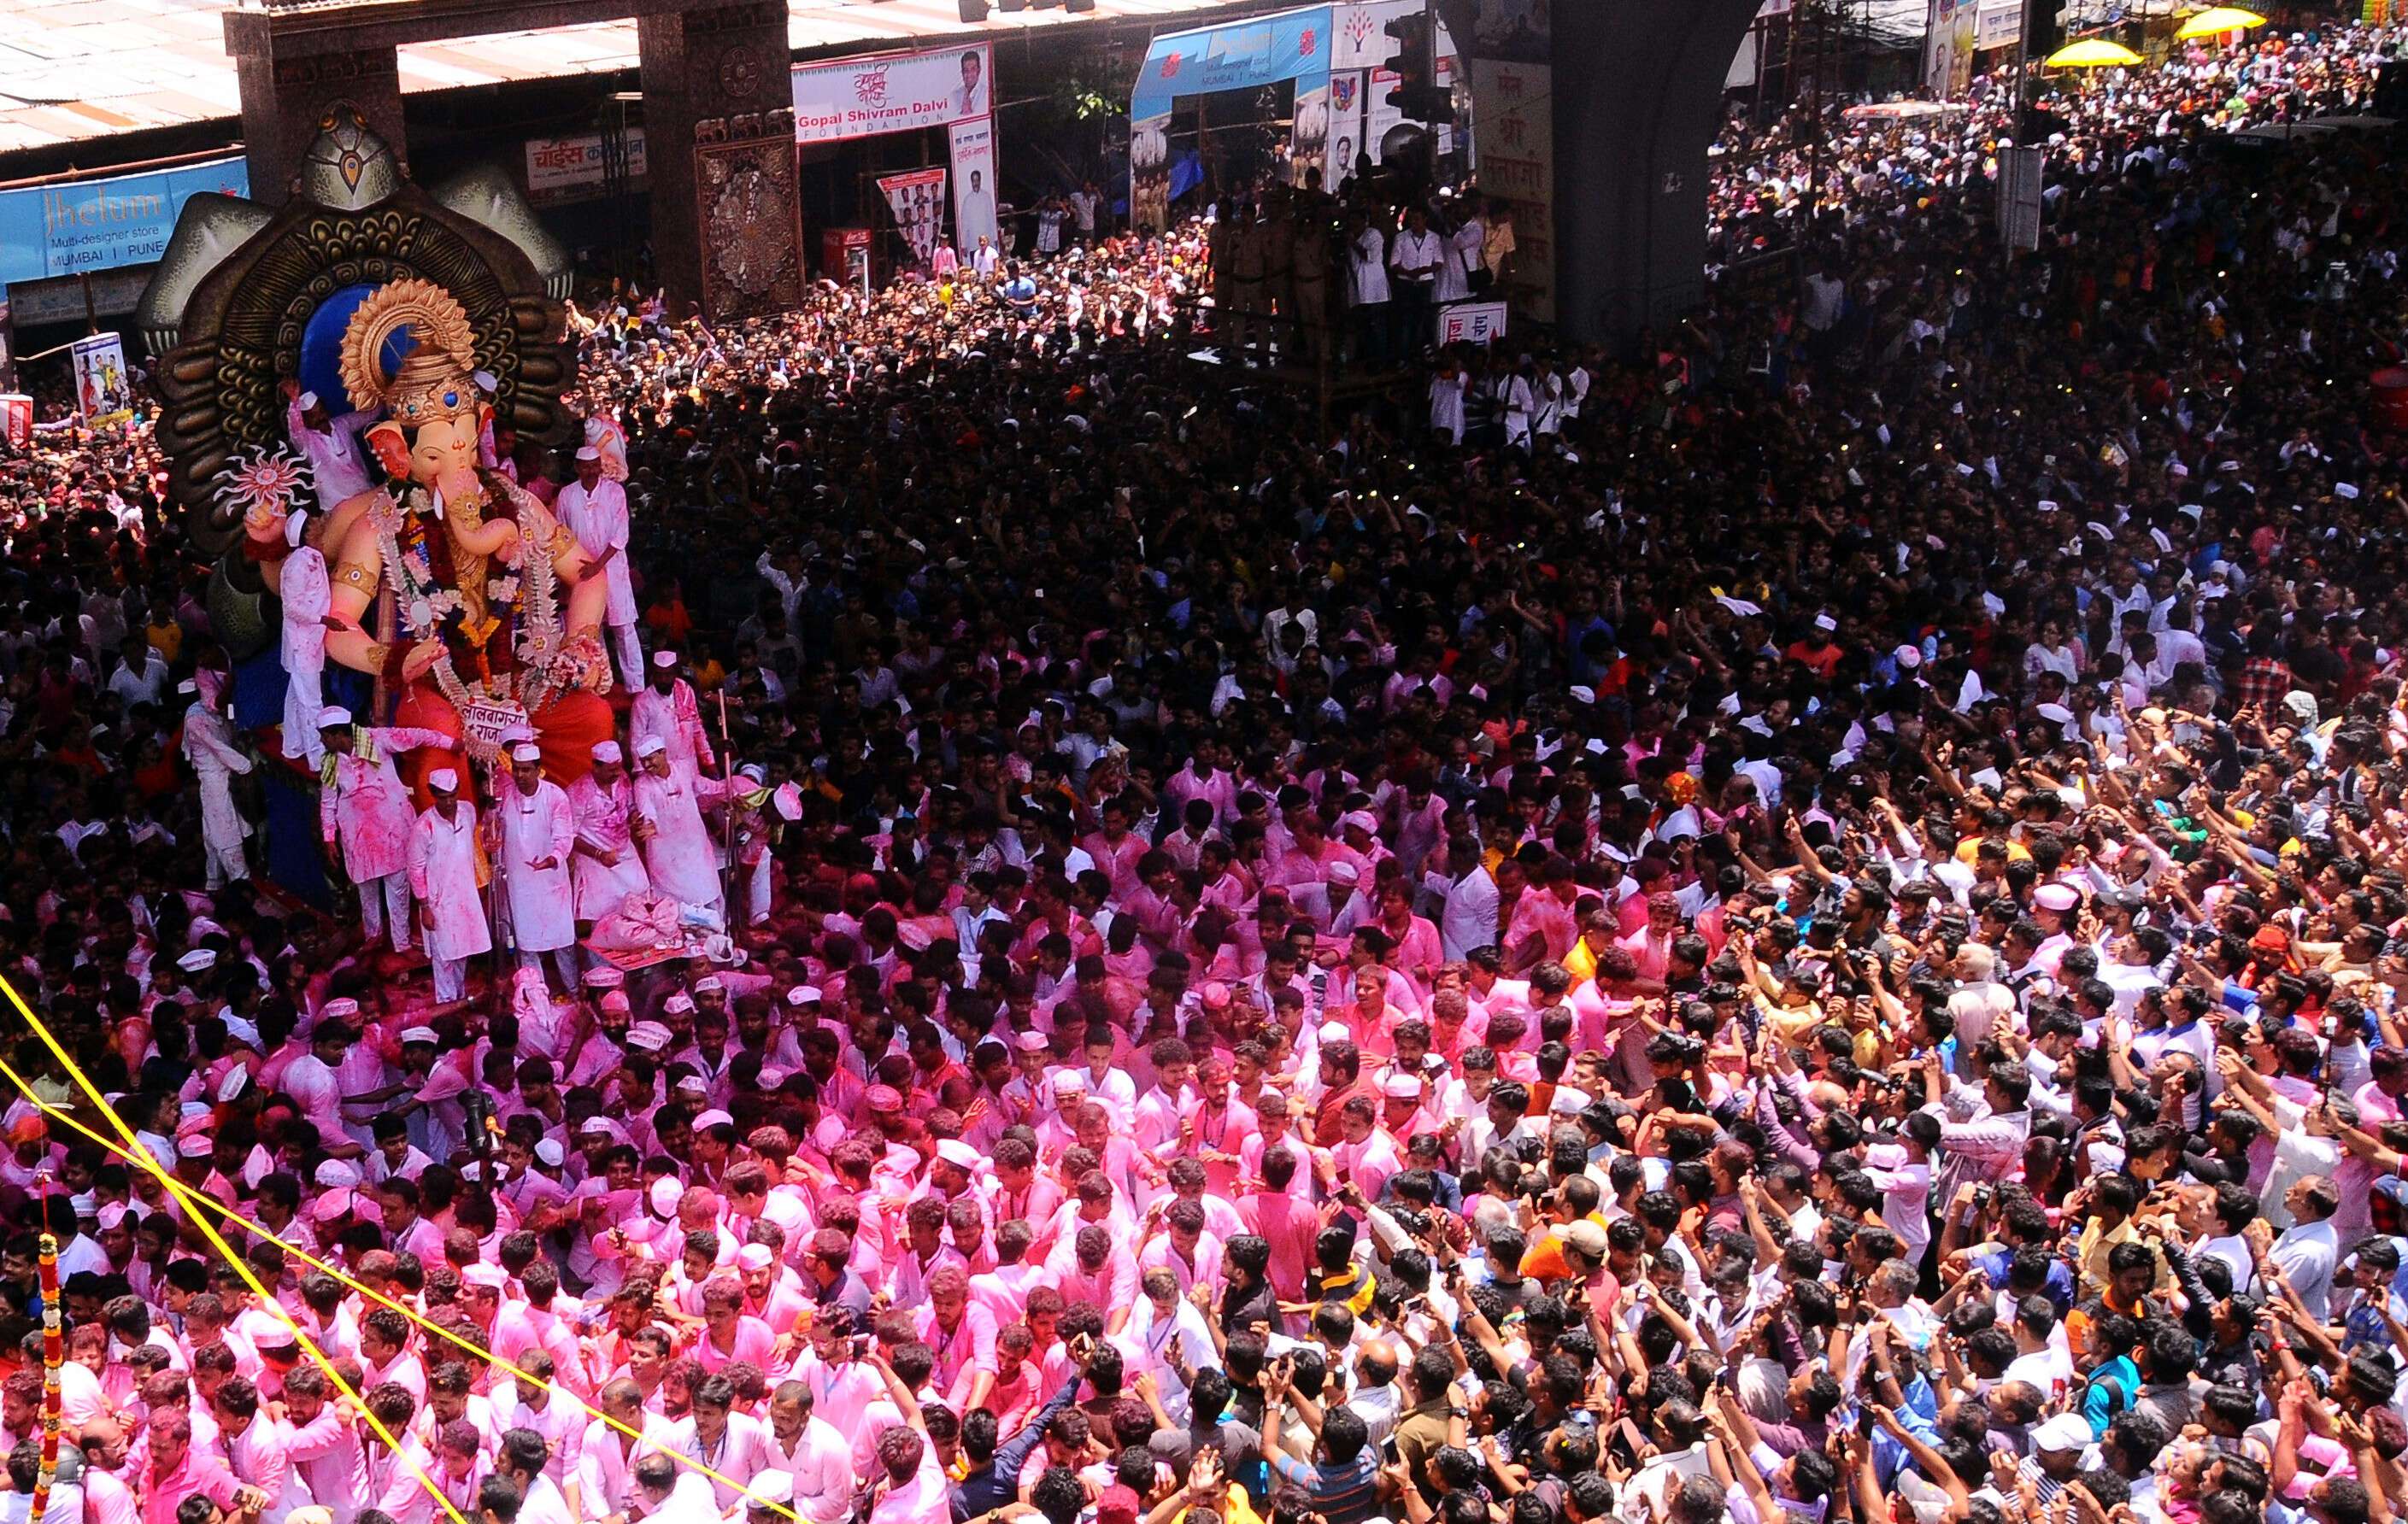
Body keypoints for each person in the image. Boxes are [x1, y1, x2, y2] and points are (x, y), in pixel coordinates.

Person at [319, 710, 455, 957]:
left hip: (392, 829)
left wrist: (450, 743)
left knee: (398, 887)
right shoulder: (330, 761)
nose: (322, 741)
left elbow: (418, 736)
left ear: (339, 734)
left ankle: (401, 943)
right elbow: (328, 801)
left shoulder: (378, 740)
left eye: (325, 736)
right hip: (358, 835)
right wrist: (329, 836)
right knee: (366, 889)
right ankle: (374, 937)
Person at [494, 742, 579, 994]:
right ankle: (537, 997)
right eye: (517, 770)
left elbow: (564, 837)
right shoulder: (504, 796)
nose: (520, 776)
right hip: (520, 886)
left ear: (538, 770)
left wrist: (551, 859)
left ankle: (574, 993)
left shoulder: (555, 796)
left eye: (526, 770)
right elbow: (493, 833)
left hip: (552, 883)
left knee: (563, 942)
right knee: (527, 944)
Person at [555, 447, 639, 689]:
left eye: (595, 465)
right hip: (581, 572)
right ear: (577, 467)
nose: (591, 470)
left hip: (613, 570)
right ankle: (599, 683)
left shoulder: (615, 492)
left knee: (623, 628)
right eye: (586, 466)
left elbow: (620, 535)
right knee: (592, 631)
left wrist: (598, 565)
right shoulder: (567, 495)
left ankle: (635, 686)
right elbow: (563, 534)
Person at [408, 767, 491, 1002]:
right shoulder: (423, 827)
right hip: (438, 902)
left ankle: (460, 999)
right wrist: (425, 906)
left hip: (465, 897)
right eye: (443, 797)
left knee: (462, 952)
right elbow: (415, 869)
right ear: (433, 794)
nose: (449, 802)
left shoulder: (468, 811)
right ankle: (447, 1005)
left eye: (453, 795)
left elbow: (475, 844)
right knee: (443, 957)